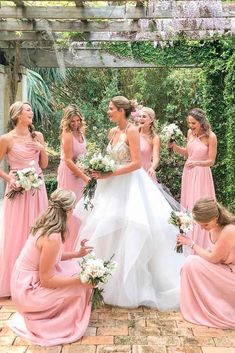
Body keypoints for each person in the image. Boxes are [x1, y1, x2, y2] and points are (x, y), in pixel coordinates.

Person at [74, 96, 185, 310]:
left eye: (111, 108)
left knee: (131, 228)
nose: (108, 112)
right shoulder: (113, 132)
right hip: (110, 188)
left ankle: (131, 285)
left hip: (130, 186)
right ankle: (102, 279)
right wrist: (101, 169)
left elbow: (135, 163)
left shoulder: (132, 131)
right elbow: (111, 158)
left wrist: (110, 172)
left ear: (122, 110)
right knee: (107, 229)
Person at [9, 188, 93, 346]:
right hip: (28, 291)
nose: (74, 211)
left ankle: (59, 313)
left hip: (25, 280)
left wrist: (77, 254)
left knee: (77, 266)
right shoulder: (52, 236)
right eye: (73, 207)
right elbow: (47, 280)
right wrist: (79, 281)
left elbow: (51, 258)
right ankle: (57, 325)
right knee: (79, 287)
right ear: (67, 210)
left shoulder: (47, 225)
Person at [0, 101, 48, 298]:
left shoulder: (38, 136)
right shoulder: (6, 139)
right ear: (18, 115)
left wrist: (41, 148)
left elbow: (43, 165)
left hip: (37, 189)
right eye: (28, 110)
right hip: (17, 192)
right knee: (16, 233)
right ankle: (15, 281)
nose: (31, 113)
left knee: (38, 231)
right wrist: (10, 178)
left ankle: (37, 278)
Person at [177, 197, 235, 329]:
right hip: (223, 269)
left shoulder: (229, 230)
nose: (203, 229)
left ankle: (215, 309)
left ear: (216, 217)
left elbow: (213, 258)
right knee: (191, 264)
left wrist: (191, 243)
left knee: (192, 262)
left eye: (206, 225)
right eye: (200, 225)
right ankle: (200, 304)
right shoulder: (214, 227)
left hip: (232, 275)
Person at [169, 108, 217, 250]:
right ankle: (188, 237)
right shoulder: (190, 133)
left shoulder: (211, 137)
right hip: (188, 173)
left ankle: (202, 240)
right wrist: (175, 147)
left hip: (202, 173)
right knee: (189, 203)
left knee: (199, 204)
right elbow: (188, 152)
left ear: (201, 122)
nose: (190, 125)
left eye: (193, 123)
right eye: (189, 122)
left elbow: (211, 161)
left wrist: (197, 163)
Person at [57, 104, 90, 251]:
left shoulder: (81, 133)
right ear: (67, 121)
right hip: (70, 174)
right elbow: (69, 161)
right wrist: (85, 177)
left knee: (81, 207)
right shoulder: (67, 135)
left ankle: (80, 243)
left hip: (80, 173)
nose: (76, 124)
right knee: (71, 209)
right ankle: (68, 247)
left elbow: (84, 154)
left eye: (78, 120)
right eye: (72, 121)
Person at [138, 106, 181, 211]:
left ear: (151, 120)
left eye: (144, 117)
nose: (141, 119)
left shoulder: (154, 138)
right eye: (139, 116)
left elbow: (156, 158)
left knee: (148, 203)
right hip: (132, 170)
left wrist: (153, 168)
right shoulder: (133, 133)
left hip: (146, 171)